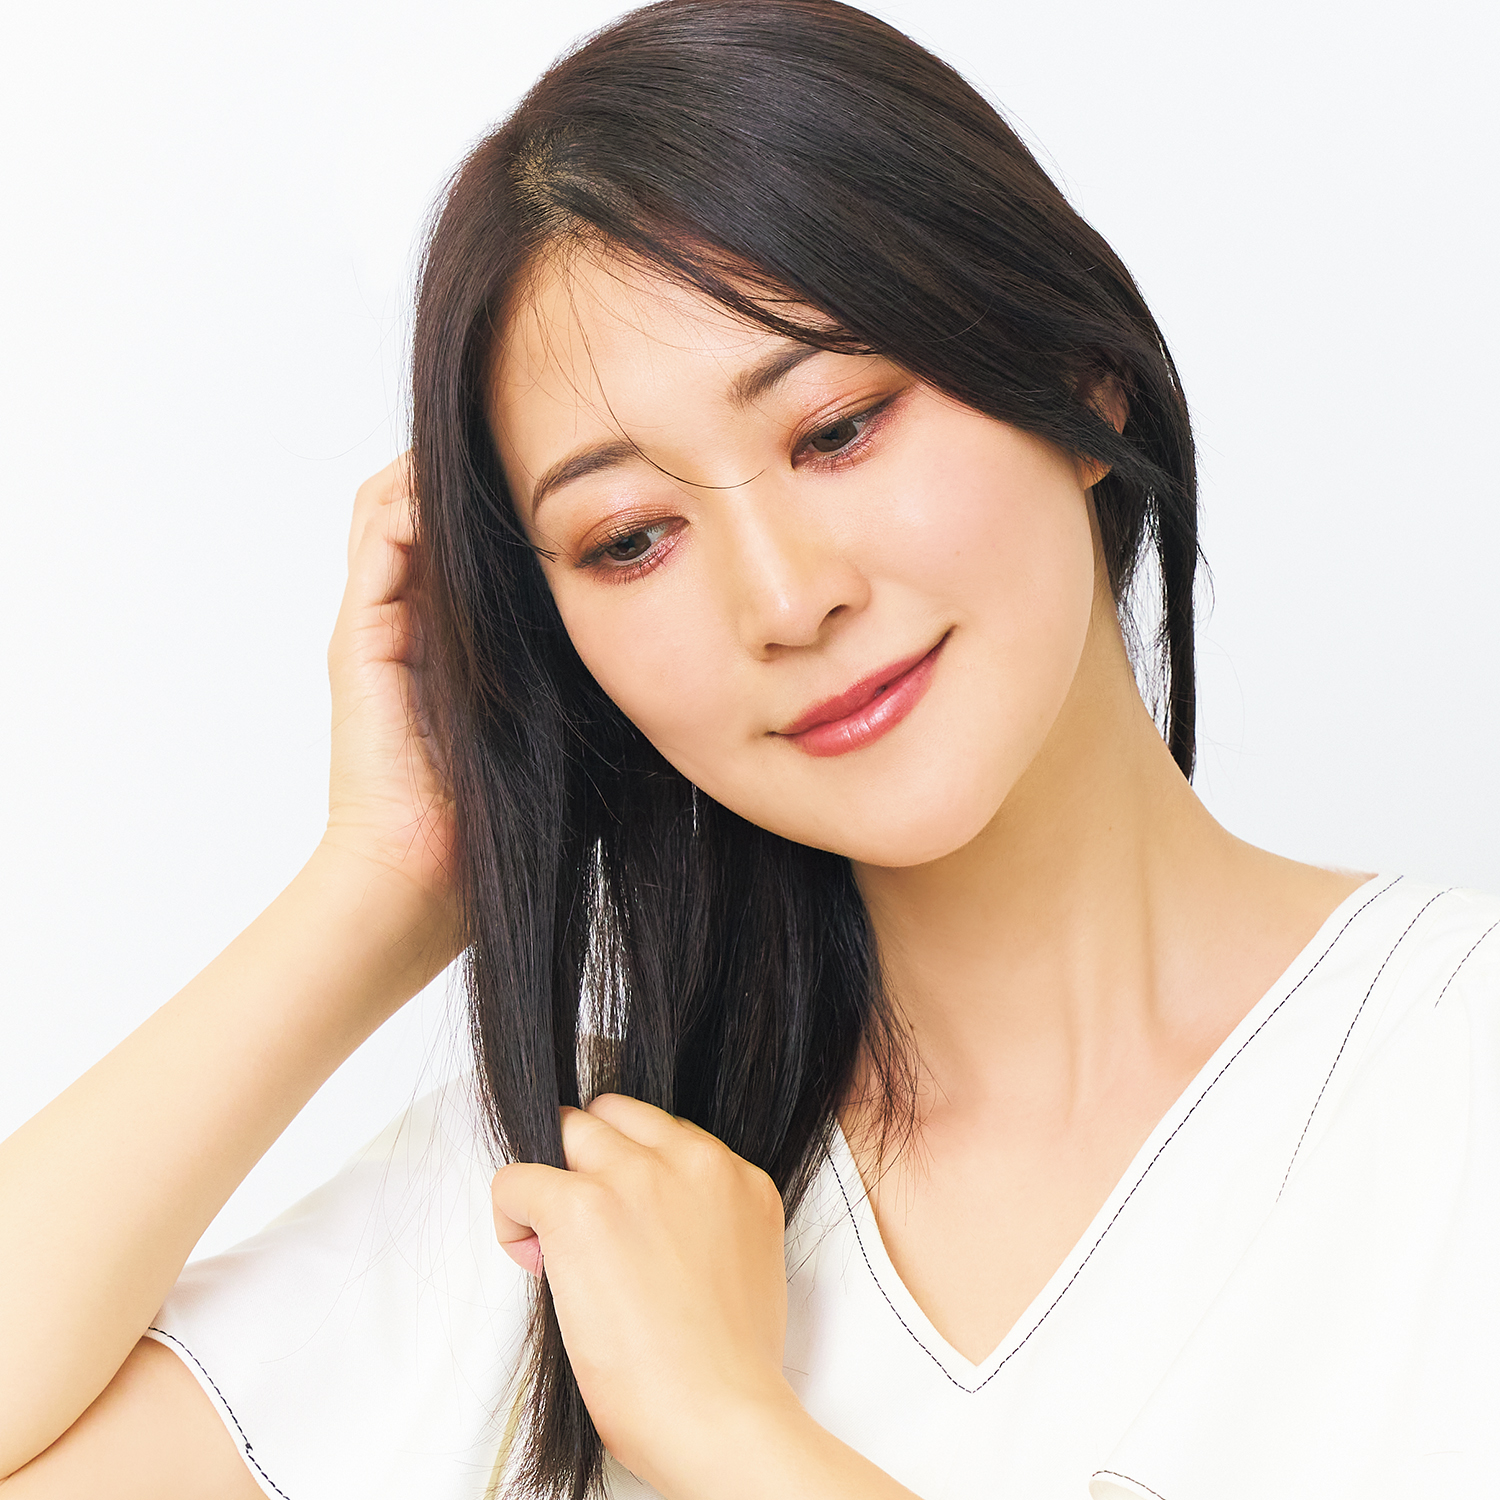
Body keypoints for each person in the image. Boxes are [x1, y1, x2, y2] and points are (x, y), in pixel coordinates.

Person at [2, 1, 1497, 1496]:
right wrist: (387, 880)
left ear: (1078, 368)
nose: (787, 600)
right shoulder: (577, 1195)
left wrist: (723, 1428)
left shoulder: (1449, 1079)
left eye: (837, 428)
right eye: (631, 537)